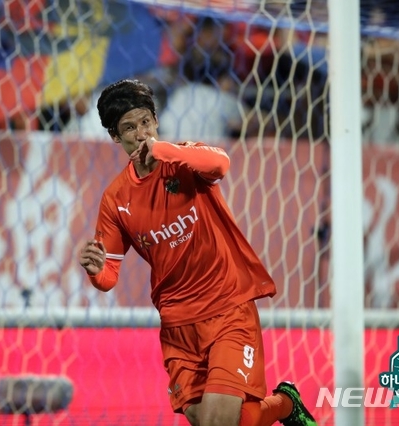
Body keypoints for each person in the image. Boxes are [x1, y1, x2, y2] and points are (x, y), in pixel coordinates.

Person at [78, 79, 317, 426]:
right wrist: (95, 269)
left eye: (146, 122)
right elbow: (108, 277)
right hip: (177, 325)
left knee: (220, 422)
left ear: (156, 121)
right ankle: (284, 404)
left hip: (227, 309)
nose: (141, 133)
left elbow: (220, 165)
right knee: (214, 420)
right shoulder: (116, 199)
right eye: (129, 128)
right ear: (116, 137)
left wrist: (164, 151)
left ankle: (282, 404)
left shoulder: (182, 160)